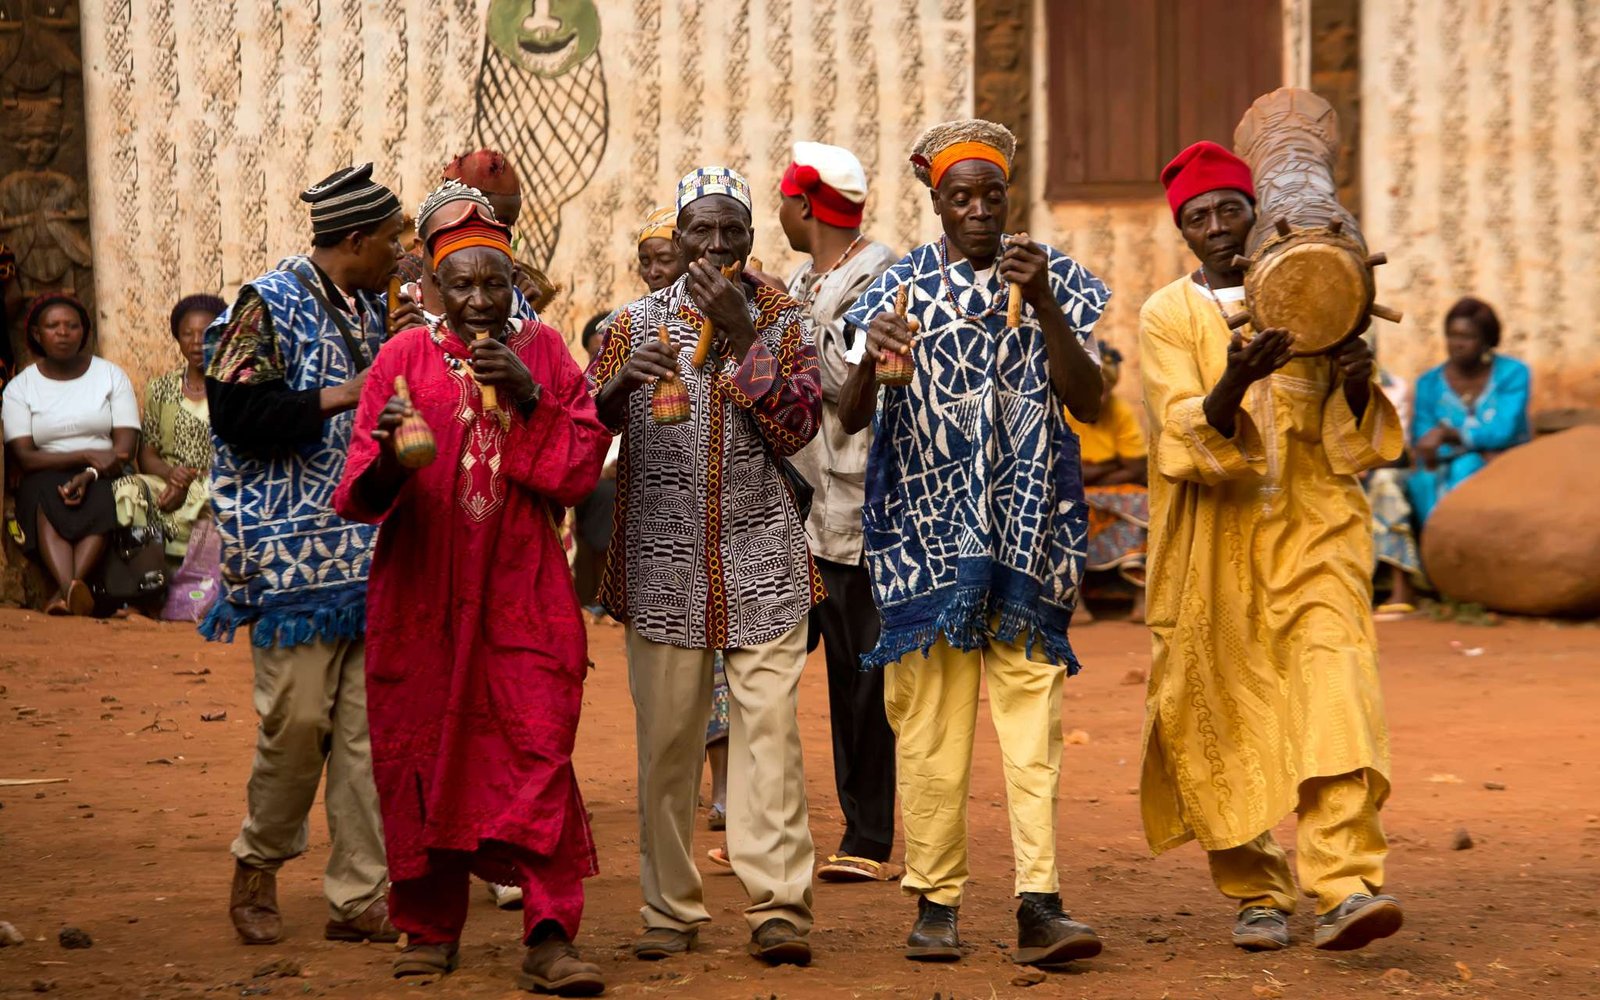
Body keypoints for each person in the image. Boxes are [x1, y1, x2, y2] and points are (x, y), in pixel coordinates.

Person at [838, 119, 1108, 967]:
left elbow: (1090, 400)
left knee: (1034, 733)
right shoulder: (897, 287)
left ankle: (1040, 904)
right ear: (938, 203)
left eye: (993, 194)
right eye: (962, 197)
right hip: (925, 541)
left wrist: (1048, 304)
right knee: (928, 730)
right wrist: (870, 356)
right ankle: (936, 904)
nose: (981, 210)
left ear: (1009, 198)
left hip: (1028, 536)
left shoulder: (1057, 277)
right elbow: (848, 414)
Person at [333, 201, 610, 993]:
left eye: (495, 282)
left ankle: (550, 933)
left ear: (513, 280)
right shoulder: (401, 358)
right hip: (421, 590)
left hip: (523, 590)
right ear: (433, 283)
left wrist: (529, 395)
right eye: (462, 284)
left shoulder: (545, 351)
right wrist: (392, 457)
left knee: (537, 751)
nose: (481, 299)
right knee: (420, 752)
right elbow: (359, 494)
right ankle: (428, 925)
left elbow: (579, 471)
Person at [1138, 140, 1404, 954]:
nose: (1218, 227)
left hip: (1316, 531)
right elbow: (1179, 436)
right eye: (1200, 217)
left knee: (1337, 690)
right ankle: (1257, 891)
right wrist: (1235, 379)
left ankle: (1345, 884)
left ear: (1257, 216)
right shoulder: (1166, 316)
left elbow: (1355, 442)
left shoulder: (1313, 287)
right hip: (1211, 546)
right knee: (1217, 711)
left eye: (1232, 209)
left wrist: (1353, 373)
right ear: (1183, 231)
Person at [586, 165, 822, 966]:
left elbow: (798, 428)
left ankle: (778, 906)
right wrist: (619, 387)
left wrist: (743, 335)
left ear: (750, 238)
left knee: (770, 742)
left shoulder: (784, 320)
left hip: (763, 558)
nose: (717, 244)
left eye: (732, 230)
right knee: (667, 749)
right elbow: (580, 432)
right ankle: (669, 908)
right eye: (701, 230)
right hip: (663, 563)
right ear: (678, 237)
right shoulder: (631, 324)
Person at [205, 163, 416, 947]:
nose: (401, 251)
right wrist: (346, 393)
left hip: (370, 552)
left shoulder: (375, 306)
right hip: (291, 558)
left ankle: (359, 893)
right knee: (295, 723)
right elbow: (234, 414)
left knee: (366, 734)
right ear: (355, 240)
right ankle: (258, 862)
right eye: (391, 238)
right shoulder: (265, 302)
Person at [778, 140, 901, 884]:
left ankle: (868, 837)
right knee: (771, 671)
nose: (780, 213)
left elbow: (838, 380)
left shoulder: (878, 278)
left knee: (861, 680)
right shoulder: (806, 278)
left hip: (856, 511)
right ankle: (773, 829)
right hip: (802, 505)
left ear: (803, 207)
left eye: (783, 201)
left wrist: (777, 331)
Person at [2, 293, 138, 616]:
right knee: (43, 496)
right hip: (44, 470)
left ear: (83, 332)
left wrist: (91, 470)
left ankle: (65, 593)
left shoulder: (110, 376)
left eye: (72, 326)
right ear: (37, 334)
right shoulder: (20, 387)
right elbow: (26, 457)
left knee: (103, 497)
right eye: (53, 326)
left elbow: (124, 448)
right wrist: (87, 454)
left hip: (103, 471)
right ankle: (72, 587)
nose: (63, 332)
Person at [113, 294, 226, 560]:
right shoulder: (161, 388)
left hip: (216, 482)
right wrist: (172, 475)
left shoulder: (233, 389)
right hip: (168, 481)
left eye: (206, 333)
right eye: (188, 334)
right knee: (128, 487)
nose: (197, 342)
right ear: (177, 337)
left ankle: (198, 577)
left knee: (208, 496)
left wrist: (188, 483)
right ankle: (148, 572)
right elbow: (147, 454)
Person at [1406, 296, 1531, 527]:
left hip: (1507, 464)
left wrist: (1450, 435)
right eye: (1452, 335)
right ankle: (1438, 539)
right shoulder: (1429, 383)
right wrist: (1474, 447)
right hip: (1443, 467)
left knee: (1468, 467)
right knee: (1423, 480)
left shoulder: (1513, 373)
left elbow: (1503, 430)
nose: (1457, 344)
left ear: (1487, 341)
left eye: (1468, 337)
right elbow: (1424, 439)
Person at [1062, 342, 1149, 621]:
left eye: (1105, 391)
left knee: (1143, 506)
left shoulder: (1120, 411)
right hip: (1070, 488)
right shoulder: (1065, 410)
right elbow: (1064, 468)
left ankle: (1142, 598)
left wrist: (1089, 469)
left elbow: (1136, 468)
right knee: (1063, 510)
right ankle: (1073, 601)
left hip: (1106, 491)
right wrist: (1112, 465)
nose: (1099, 399)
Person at [443, 149, 557, 312]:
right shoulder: (412, 278)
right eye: (497, 222)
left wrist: (520, 312)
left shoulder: (512, 282)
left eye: (509, 226)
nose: (506, 237)